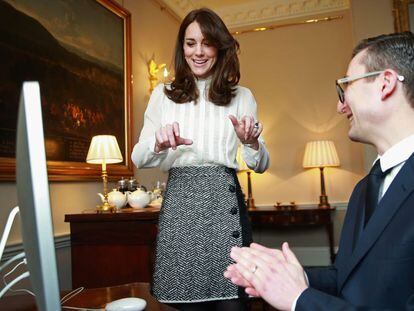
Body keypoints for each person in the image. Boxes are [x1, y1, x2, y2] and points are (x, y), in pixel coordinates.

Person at [224, 31, 414, 310]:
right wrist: (291, 279)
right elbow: (346, 278)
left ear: (385, 83)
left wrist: (299, 299)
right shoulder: (365, 188)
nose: (340, 107)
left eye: (345, 88)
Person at [131, 8, 269, 311]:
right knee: (184, 304)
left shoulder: (242, 96)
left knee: (232, 304)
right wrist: (158, 142)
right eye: (191, 43)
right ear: (182, 47)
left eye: (206, 43)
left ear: (219, 47)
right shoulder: (162, 94)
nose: (198, 52)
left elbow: (260, 163)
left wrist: (251, 141)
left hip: (224, 206)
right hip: (181, 209)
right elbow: (138, 157)